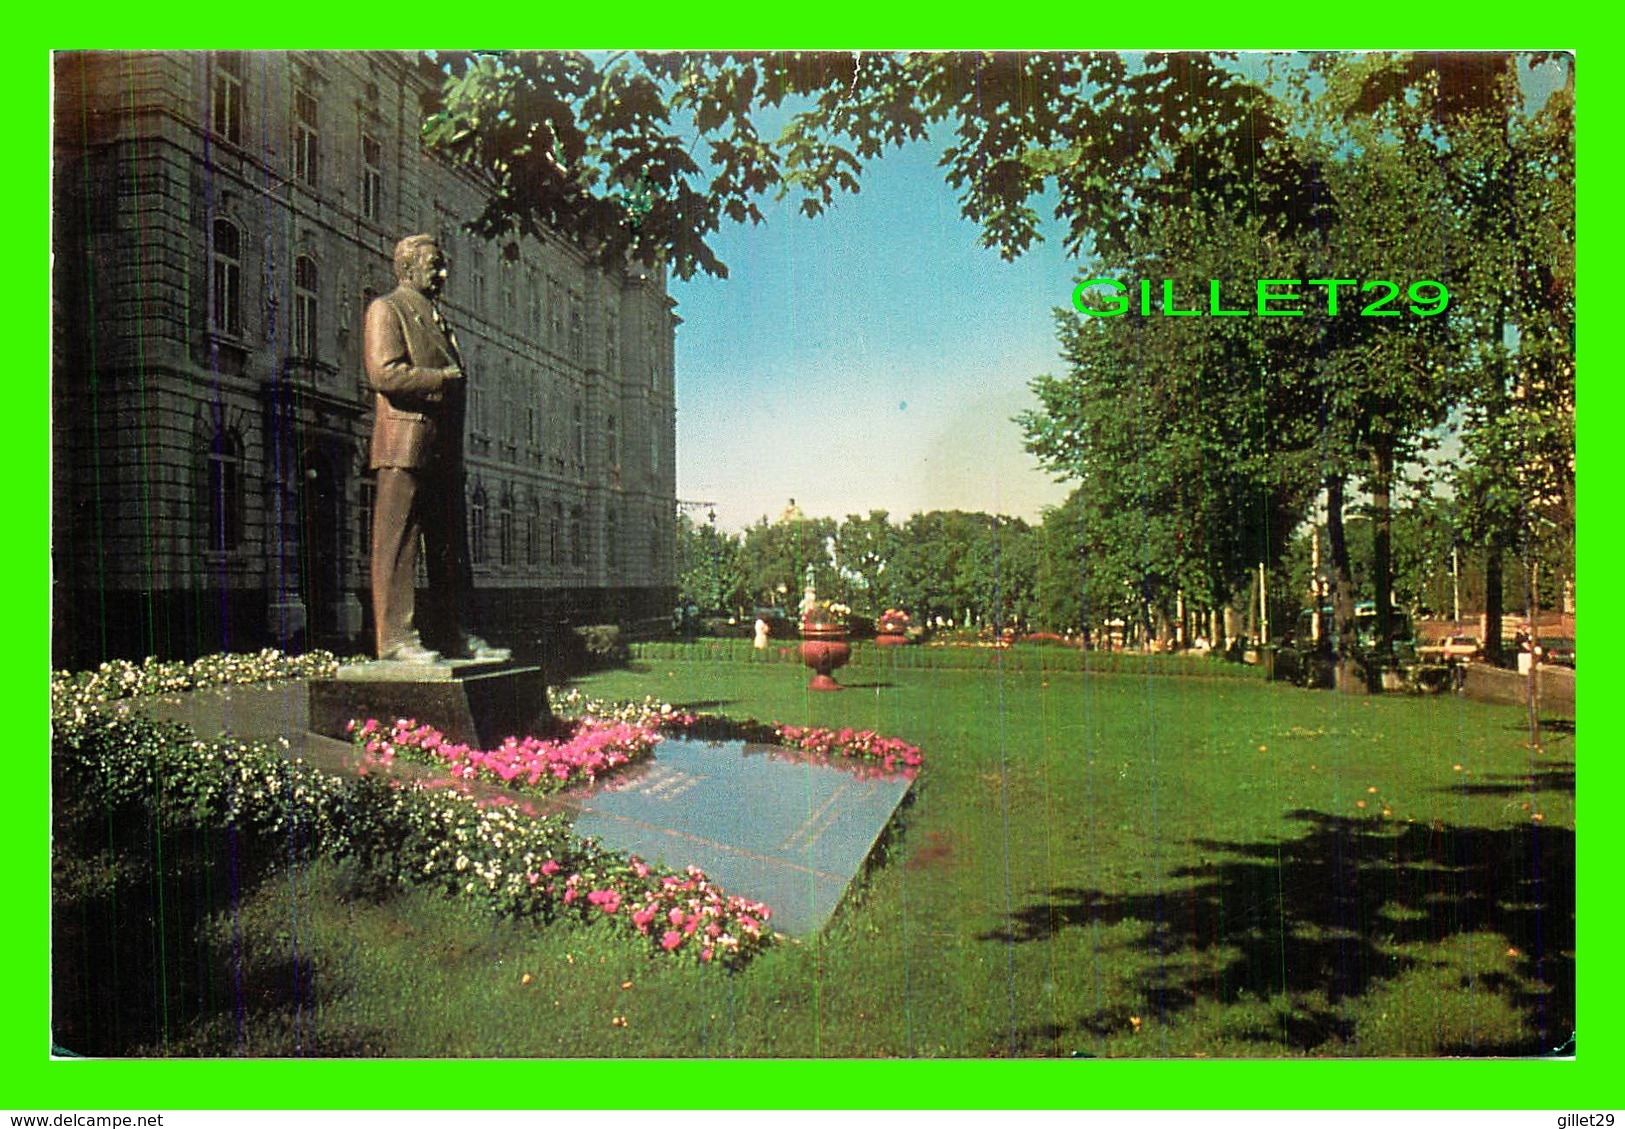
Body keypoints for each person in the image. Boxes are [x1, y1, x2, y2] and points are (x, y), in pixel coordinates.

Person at [364, 234, 508, 664]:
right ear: (407, 268)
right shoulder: (386, 309)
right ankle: (395, 639)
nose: (443, 274)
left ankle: (455, 634)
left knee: (449, 548)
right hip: (405, 446)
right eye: (434, 265)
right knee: (399, 545)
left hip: (443, 452)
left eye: (443, 266)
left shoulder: (438, 318)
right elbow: (384, 374)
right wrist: (441, 379)